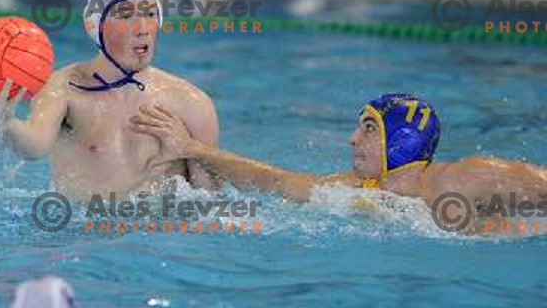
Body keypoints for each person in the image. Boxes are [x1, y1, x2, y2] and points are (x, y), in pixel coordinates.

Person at [0, 0, 219, 200]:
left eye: (150, 13)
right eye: (126, 15)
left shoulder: (191, 105)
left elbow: (210, 205)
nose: (142, 28)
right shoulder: (64, 89)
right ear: (95, 25)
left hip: (160, 238)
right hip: (83, 236)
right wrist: (6, 122)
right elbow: (34, 146)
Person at [130, 93, 547, 233]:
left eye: (368, 128)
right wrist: (194, 149)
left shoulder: (468, 176)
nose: (352, 138)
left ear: (402, 140)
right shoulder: (353, 189)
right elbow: (274, 181)